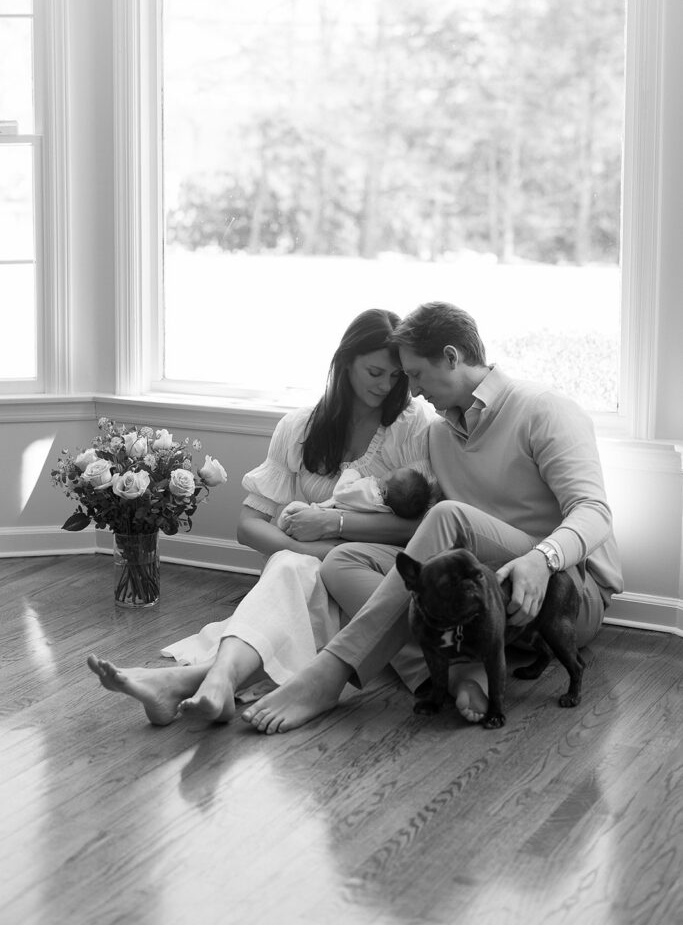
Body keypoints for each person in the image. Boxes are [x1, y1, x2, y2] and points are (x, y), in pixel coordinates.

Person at [241, 301, 625, 735]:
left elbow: (594, 511)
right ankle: (452, 669)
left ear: (450, 356)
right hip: (485, 595)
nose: (412, 390)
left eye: (416, 375)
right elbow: (429, 535)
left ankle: (329, 674)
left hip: (564, 593)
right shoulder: (440, 434)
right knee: (342, 563)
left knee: (448, 515)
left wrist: (543, 559)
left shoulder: (545, 408)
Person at [87, 308, 435, 725]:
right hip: (305, 571)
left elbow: (422, 526)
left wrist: (332, 526)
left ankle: (190, 682)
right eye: (376, 372)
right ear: (345, 362)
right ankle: (205, 684)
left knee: (293, 575)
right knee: (294, 570)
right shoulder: (300, 427)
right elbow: (247, 526)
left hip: (369, 575)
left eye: (397, 377)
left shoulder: (412, 425)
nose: (386, 386)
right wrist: (304, 549)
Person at [276, 465, 432, 532]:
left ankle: (284, 527)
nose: (387, 472)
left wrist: (352, 472)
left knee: (293, 508)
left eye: (391, 473)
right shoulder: (387, 511)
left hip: (325, 511)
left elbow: (341, 492)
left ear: (383, 492)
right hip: (336, 520)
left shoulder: (370, 492)